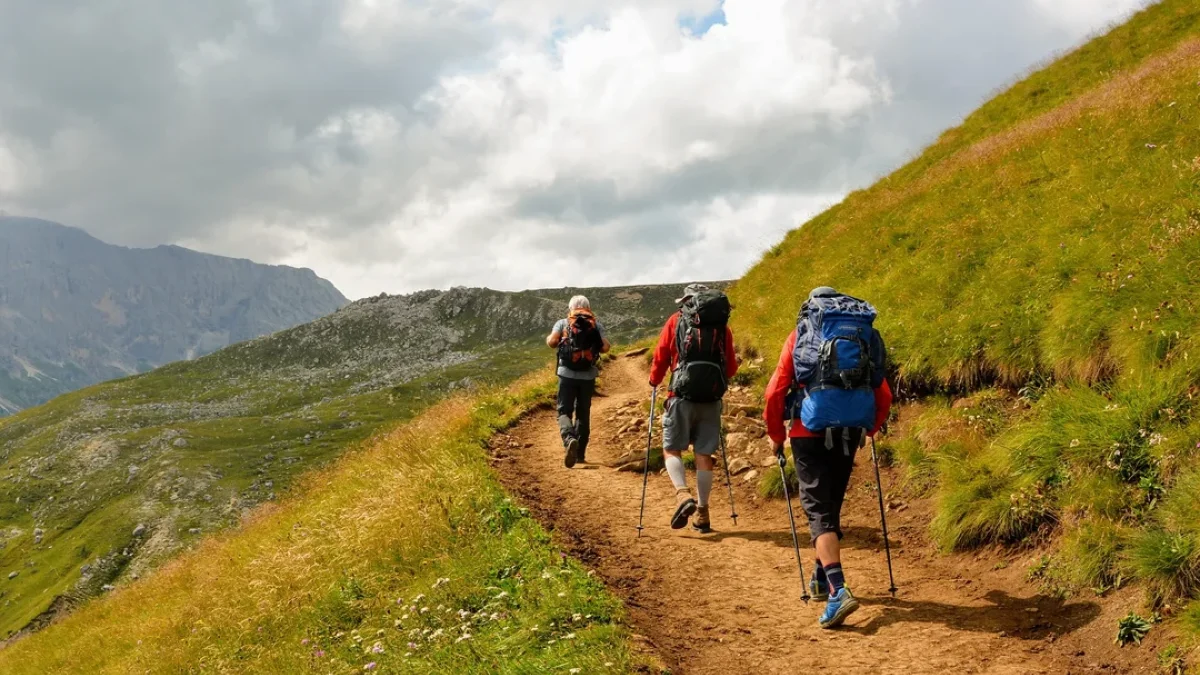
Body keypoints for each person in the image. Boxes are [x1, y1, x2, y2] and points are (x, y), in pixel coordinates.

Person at [764, 286, 893, 629]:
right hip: (851, 431)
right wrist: (870, 428)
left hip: (808, 431)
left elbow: (776, 389)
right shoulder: (863, 335)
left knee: (818, 511)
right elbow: (883, 391)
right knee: (831, 506)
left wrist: (776, 435)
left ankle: (838, 590)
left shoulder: (801, 335)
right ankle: (821, 578)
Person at [648, 283, 739, 533]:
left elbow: (661, 355)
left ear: (687, 301)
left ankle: (682, 494)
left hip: (680, 393)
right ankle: (703, 512)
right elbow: (729, 368)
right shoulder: (722, 327)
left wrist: (654, 379)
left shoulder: (676, 320)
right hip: (711, 398)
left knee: (671, 449)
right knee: (703, 455)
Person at [547, 295, 611, 468]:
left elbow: (552, 342)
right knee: (583, 413)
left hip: (566, 374)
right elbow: (605, 348)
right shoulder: (595, 324)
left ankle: (569, 439)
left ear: (571, 308)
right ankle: (580, 454)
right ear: (588, 308)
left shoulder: (563, 323)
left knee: (563, 411)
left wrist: (560, 339)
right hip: (588, 376)